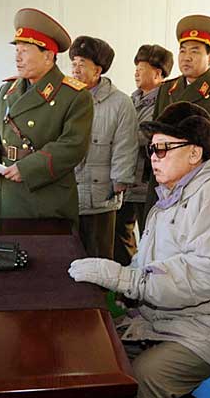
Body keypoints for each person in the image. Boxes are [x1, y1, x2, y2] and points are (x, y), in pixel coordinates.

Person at [69, 101, 210, 398]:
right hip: (172, 316)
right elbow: (148, 257)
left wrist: (125, 279)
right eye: (151, 149)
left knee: (146, 375)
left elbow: (200, 276)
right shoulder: (172, 195)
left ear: (194, 153)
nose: (153, 157)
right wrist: (130, 285)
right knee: (98, 348)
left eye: (163, 149)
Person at [0, 8, 93, 227]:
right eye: (16, 50)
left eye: (25, 50)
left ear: (48, 55)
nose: (17, 57)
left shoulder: (75, 96)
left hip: (46, 200)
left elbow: (72, 146)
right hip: (7, 196)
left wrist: (27, 169)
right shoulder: (7, 91)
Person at [144, 14, 210, 216]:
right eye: (182, 51)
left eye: (195, 51)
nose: (186, 57)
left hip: (202, 188)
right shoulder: (167, 89)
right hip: (165, 184)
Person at [69, 36, 139, 259]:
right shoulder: (65, 97)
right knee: (67, 255)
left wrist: (120, 181)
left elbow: (126, 145)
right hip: (67, 196)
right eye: (73, 63)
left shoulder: (120, 102)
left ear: (98, 70)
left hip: (101, 197)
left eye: (82, 64)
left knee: (99, 257)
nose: (75, 69)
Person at [113, 44, 174, 266]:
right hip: (126, 180)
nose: (136, 72)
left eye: (142, 68)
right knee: (120, 233)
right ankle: (127, 277)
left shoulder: (166, 102)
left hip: (148, 182)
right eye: (136, 68)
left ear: (157, 74)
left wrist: (122, 135)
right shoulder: (130, 100)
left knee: (150, 235)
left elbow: (149, 136)